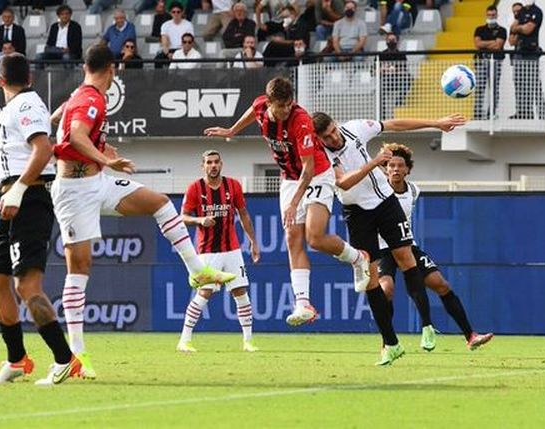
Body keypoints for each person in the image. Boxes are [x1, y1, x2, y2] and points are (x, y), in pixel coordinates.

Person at [50, 44, 235, 378]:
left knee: (161, 203)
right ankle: (77, 355)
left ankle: (197, 271)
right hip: (75, 192)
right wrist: (107, 159)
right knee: (79, 271)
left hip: (98, 182)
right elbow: (76, 136)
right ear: (111, 68)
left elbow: (67, 131)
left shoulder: (81, 95)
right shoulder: (90, 99)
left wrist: (104, 153)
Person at [204, 77, 371, 326]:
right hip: (289, 179)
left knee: (314, 237)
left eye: (288, 105)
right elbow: (253, 111)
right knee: (293, 238)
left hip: (317, 175)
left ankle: (358, 258)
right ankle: (303, 303)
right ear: (270, 102)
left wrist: (294, 203)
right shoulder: (262, 105)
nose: (285, 110)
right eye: (280, 106)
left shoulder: (301, 122)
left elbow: (308, 168)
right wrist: (232, 131)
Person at [0, 53, 81, 386]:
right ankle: (17, 360)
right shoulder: (18, 105)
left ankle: (64, 359)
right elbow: (19, 144)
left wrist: (17, 191)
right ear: (29, 76)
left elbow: (43, 149)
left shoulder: (25, 105)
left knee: (27, 286)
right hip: (13, 198)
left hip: (26, 198)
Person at [312, 112, 466, 356]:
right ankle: (390, 343)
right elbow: (343, 183)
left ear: (336, 123)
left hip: (385, 202)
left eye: (333, 130)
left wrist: (435, 122)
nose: (333, 138)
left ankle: (426, 326)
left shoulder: (354, 128)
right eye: (326, 137)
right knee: (371, 279)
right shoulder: (321, 154)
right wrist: (374, 162)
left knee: (406, 257)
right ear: (318, 139)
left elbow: (394, 124)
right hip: (356, 212)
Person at [378, 143, 495, 351]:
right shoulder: (377, 190)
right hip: (383, 249)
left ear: (407, 170)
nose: (395, 169)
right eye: (391, 165)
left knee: (441, 285)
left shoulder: (413, 190)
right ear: (385, 168)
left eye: (400, 166)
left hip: (407, 246)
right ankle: (387, 343)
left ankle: (470, 336)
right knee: (386, 291)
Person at [177, 150, 260, 353]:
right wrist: (199, 220)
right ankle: (184, 340)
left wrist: (253, 241)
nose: (213, 165)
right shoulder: (195, 188)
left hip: (232, 249)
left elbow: (244, 214)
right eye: (209, 162)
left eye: (216, 162)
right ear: (203, 166)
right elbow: (182, 217)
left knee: (241, 292)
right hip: (207, 251)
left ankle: (248, 341)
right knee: (204, 292)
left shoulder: (233, 185)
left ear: (221, 164)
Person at [509, 0, 544, 120]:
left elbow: (528, 29)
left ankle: (540, 113)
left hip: (531, 53)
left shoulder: (537, 11)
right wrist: (521, 28)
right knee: (519, 83)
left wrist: (519, 28)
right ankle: (522, 111)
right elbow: (512, 35)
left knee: (532, 83)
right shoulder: (522, 11)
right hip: (519, 52)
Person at [473, 5, 507, 120]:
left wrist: (485, 44)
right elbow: (477, 44)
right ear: (486, 15)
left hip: (495, 61)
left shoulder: (502, 30)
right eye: (489, 15)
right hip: (481, 61)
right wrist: (492, 42)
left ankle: (491, 112)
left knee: (494, 88)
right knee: (479, 88)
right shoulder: (479, 29)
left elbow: (498, 46)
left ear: (497, 15)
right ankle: (477, 113)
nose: (491, 17)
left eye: (493, 15)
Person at [379, 32, 411, 117]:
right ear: (386, 41)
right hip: (384, 81)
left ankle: (398, 105)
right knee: (380, 89)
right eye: (389, 40)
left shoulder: (401, 55)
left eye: (393, 40)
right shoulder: (381, 55)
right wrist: (385, 70)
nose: (391, 42)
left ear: (397, 41)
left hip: (398, 80)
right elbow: (374, 70)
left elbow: (404, 69)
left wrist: (390, 69)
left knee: (408, 80)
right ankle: (383, 115)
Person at [155, 2, 194, 68]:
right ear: (170, 13)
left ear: (182, 12)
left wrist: (178, 54)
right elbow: (164, 43)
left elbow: (188, 41)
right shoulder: (165, 25)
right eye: (174, 12)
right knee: (157, 59)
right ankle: (160, 78)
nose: (176, 14)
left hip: (183, 50)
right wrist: (168, 54)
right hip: (169, 50)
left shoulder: (188, 25)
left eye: (178, 12)